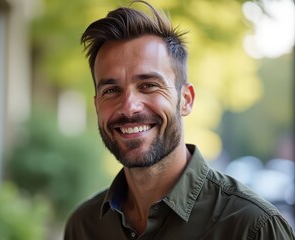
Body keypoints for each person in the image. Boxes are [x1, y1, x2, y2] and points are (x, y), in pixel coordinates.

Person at [64, 1, 295, 239]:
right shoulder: (83, 226)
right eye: (111, 90)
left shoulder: (253, 227)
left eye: (148, 85)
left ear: (186, 100)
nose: (129, 106)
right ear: (96, 105)